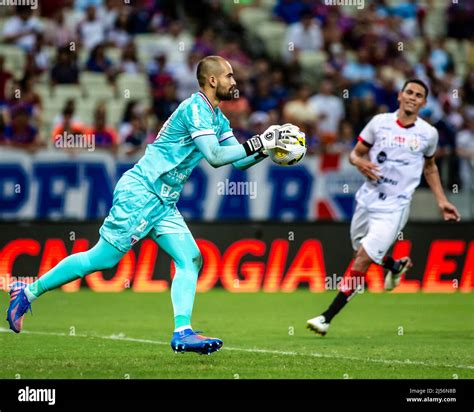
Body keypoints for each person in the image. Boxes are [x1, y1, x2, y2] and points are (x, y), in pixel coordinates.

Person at [6, 56, 298, 355]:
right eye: (229, 76)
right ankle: (26, 292)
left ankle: (182, 332)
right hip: (142, 192)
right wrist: (258, 142)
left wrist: (266, 148)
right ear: (212, 80)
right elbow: (213, 155)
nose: (234, 82)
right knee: (101, 260)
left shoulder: (217, 117)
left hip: (163, 202)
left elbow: (237, 162)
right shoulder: (195, 108)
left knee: (191, 259)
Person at [306, 79, 461, 336]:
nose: (412, 97)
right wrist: (360, 163)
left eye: (419, 95)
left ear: (423, 102)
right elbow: (354, 153)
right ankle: (395, 266)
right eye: (409, 92)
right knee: (359, 252)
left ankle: (326, 317)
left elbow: (430, 166)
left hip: (394, 206)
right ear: (399, 96)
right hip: (367, 199)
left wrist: (442, 201)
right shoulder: (380, 123)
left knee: (363, 259)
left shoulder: (428, 134)